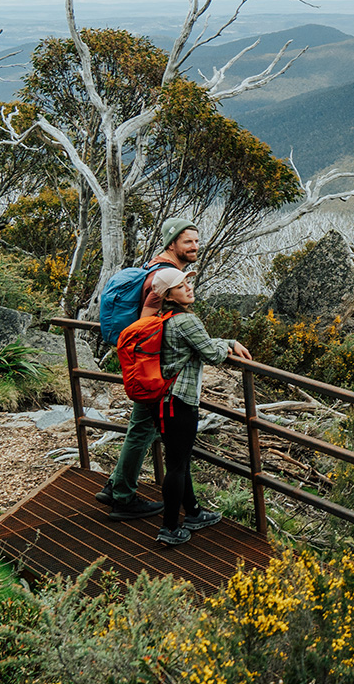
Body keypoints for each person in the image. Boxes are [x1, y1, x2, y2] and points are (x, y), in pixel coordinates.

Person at [98, 216, 202, 520]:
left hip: (144, 364)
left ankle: (116, 486)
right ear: (172, 243)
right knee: (142, 428)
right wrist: (157, 365)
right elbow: (147, 322)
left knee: (140, 426)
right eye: (188, 242)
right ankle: (123, 497)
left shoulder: (155, 265)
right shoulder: (167, 273)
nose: (195, 246)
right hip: (151, 368)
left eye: (196, 241)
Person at [145, 266, 253, 545]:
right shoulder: (186, 322)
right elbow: (211, 354)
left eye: (188, 284)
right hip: (180, 402)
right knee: (177, 465)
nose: (189, 288)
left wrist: (223, 341)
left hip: (163, 400)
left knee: (178, 460)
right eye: (182, 286)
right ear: (169, 294)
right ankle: (169, 528)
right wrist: (226, 346)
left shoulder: (163, 318)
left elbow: (197, 345)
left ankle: (192, 512)